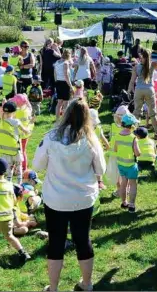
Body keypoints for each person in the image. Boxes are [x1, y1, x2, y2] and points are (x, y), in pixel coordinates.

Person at [32, 98, 106, 292]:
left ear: (65, 113)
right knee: (83, 239)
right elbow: (101, 169)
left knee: (56, 241)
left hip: (56, 199)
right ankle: (87, 283)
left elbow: (37, 166)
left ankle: (54, 287)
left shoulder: (51, 137)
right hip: (82, 198)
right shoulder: (91, 140)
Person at [0, 158, 31, 267]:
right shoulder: (9, 185)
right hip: (7, 217)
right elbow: (13, 200)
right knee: (9, 236)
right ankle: (23, 253)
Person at [128, 48, 157, 135]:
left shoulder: (136, 67)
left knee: (137, 112)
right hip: (149, 89)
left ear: (141, 57)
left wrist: (129, 90)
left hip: (138, 90)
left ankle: (135, 132)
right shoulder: (153, 65)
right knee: (153, 113)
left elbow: (132, 81)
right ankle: (156, 133)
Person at [53, 49, 74, 117]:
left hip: (58, 82)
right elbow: (66, 76)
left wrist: (56, 82)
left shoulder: (56, 62)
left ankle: (57, 119)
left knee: (59, 102)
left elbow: (55, 73)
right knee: (66, 103)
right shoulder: (65, 63)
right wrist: (71, 86)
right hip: (65, 83)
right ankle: (64, 119)